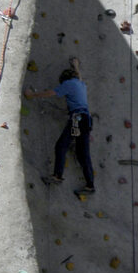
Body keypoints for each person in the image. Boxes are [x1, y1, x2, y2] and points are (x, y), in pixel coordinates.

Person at [24, 57, 95, 197]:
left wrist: (32, 95)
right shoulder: (80, 84)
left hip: (77, 118)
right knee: (83, 154)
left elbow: (51, 93)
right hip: (86, 120)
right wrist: (76, 65)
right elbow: (78, 76)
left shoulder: (68, 84)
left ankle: (57, 175)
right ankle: (90, 185)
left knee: (61, 145)